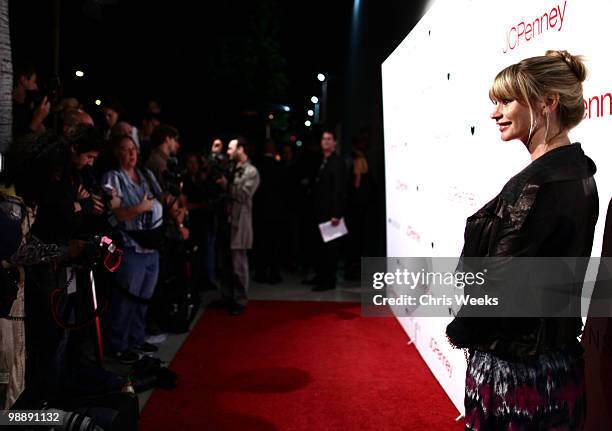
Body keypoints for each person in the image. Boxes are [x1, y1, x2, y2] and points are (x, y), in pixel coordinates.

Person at [446, 50, 597, 430]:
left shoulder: (534, 185)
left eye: (506, 101)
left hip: (515, 375)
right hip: (559, 363)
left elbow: (496, 288)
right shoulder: (580, 172)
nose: (495, 113)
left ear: (547, 103)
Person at [102, 135, 164, 363]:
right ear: (117, 153)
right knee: (125, 300)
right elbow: (116, 214)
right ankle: (117, 344)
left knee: (143, 298)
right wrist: (141, 207)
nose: (131, 154)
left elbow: (161, 198)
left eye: (133, 149)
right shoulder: (112, 178)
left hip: (151, 246)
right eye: (125, 149)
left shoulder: (145, 175)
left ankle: (136, 338)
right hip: (130, 247)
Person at [217, 137, 259, 315]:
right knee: (224, 263)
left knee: (238, 265)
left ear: (240, 149)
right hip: (225, 221)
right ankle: (227, 297)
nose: (227, 152)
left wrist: (226, 185)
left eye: (230, 148)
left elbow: (244, 195)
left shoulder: (251, 171)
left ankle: (240, 300)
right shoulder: (230, 168)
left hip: (239, 223)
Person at [303, 130, 347, 291]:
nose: (326, 142)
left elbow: (339, 190)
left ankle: (328, 281)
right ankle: (321, 276)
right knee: (320, 247)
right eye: (323, 139)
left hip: (331, 214)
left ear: (335, 143)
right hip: (319, 212)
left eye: (329, 139)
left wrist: (336, 213)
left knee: (330, 249)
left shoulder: (337, 162)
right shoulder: (323, 161)